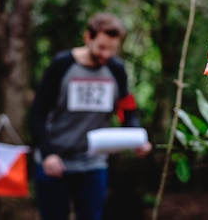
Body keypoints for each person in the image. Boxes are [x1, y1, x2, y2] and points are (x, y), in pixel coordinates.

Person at [29, 12, 151, 220]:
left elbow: (127, 110)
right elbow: (36, 113)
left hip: (93, 164)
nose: (106, 54)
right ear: (88, 38)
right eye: (101, 48)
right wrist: (48, 153)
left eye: (112, 49)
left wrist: (138, 138)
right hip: (55, 162)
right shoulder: (62, 65)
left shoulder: (116, 69)